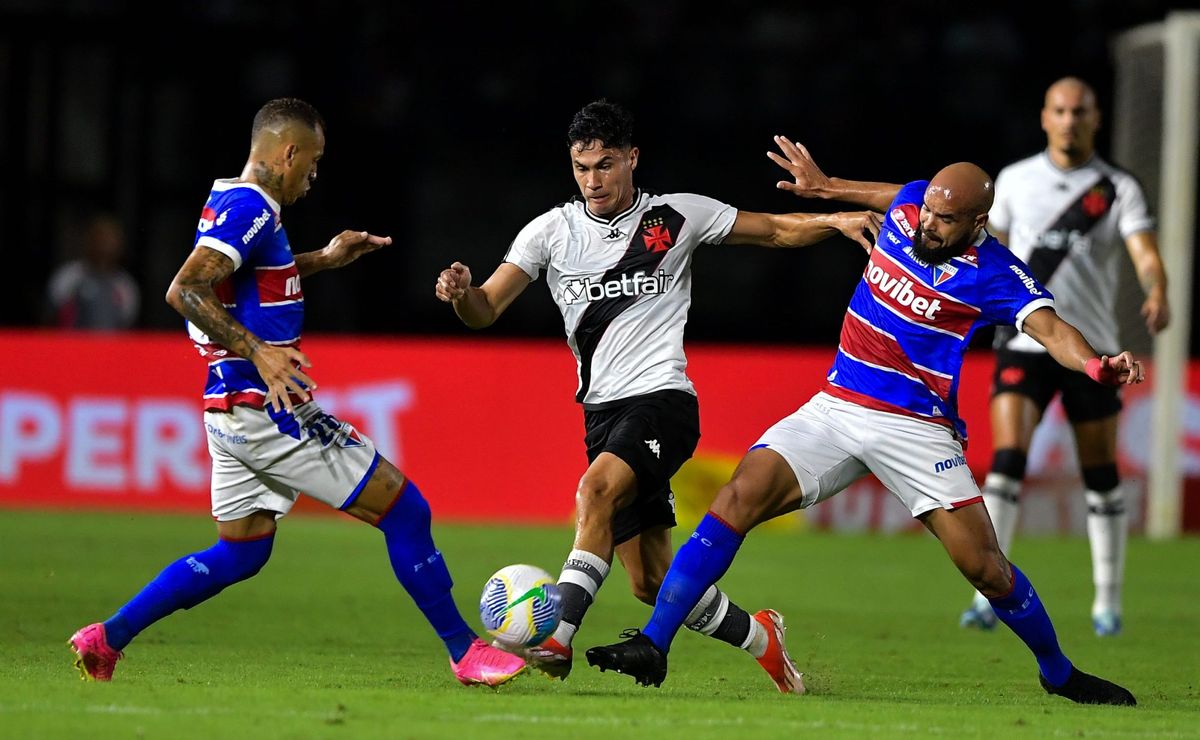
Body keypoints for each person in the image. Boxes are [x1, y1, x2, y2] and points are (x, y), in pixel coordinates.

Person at [586, 141, 1141, 706]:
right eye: (927, 211)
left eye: (944, 220)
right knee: (737, 498)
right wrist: (826, 187)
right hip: (837, 406)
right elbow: (892, 195)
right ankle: (655, 643)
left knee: (986, 569)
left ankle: (1058, 672)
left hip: (916, 427)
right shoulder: (913, 207)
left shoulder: (996, 272)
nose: (927, 224)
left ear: (978, 223)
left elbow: (1051, 329)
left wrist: (1095, 364)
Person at [67, 97, 526, 687]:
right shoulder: (251, 206)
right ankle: (466, 651)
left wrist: (325, 259)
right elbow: (185, 290)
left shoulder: (236, 202)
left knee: (241, 552)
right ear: (288, 152)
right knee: (405, 509)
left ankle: (107, 638)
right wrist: (259, 351)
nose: (314, 174)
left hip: (228, 409)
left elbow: (246, 279)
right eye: (313, 160)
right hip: (267, 407)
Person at [435, 99, 880, 692]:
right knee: (650, 581)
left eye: (605, 165)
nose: (593, 180)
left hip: (663, 401)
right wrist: (462, 295)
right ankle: (761, 638)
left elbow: (773, 230)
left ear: (632, 158)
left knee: (594, 491)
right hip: (601, 414)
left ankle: (556, 635)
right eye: (582, 168)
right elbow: (486, 309)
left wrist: (836, 221)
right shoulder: (550, 232)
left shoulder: (676, 216)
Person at [959, 77, 1169, 637]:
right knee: (1007, 461)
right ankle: (987, 596)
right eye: (1060, 110)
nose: (1070, 120)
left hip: (1090, 351)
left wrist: (1156, 290)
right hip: (1024, 342)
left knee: (1101, 475)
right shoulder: (1014, 180)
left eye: (1080, 111)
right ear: (1045, 117)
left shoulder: (1117, 188)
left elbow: (1146, 255)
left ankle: (1107, 603)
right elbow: (987, 254)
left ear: (1095, 118)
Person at [45, 211, 141, 330]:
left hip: (111, 341)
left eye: (110, 240)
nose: (105, 245)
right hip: (71, 340)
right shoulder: (68, 277)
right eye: (101, 238)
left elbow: (127, 326)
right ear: (89, 240)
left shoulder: (126, 286)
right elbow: (50, 319)